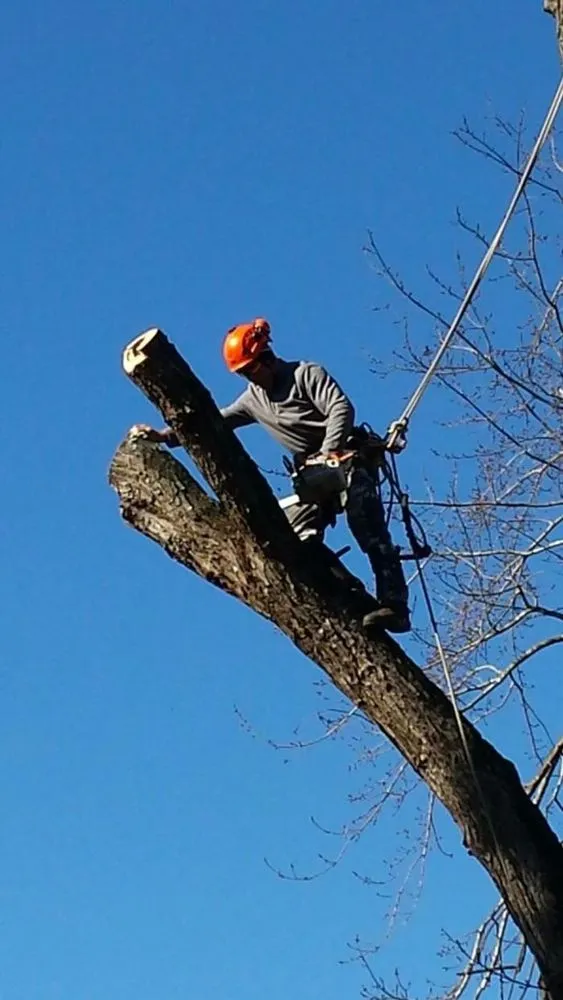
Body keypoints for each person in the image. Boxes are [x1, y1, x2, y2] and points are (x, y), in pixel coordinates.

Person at [142, 318, 410, 633]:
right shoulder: (253, 400)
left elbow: (340, 408)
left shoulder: (305, 375)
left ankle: (394, 605)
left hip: (348, 458)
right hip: (312, 474)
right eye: (242, 373)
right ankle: (350, 595)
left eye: (250, 369)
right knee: (293, 535)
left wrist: (329, 450)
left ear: (266, 358)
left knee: (366, 524)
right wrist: (165, 436)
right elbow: (212, 422)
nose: (248, 377)